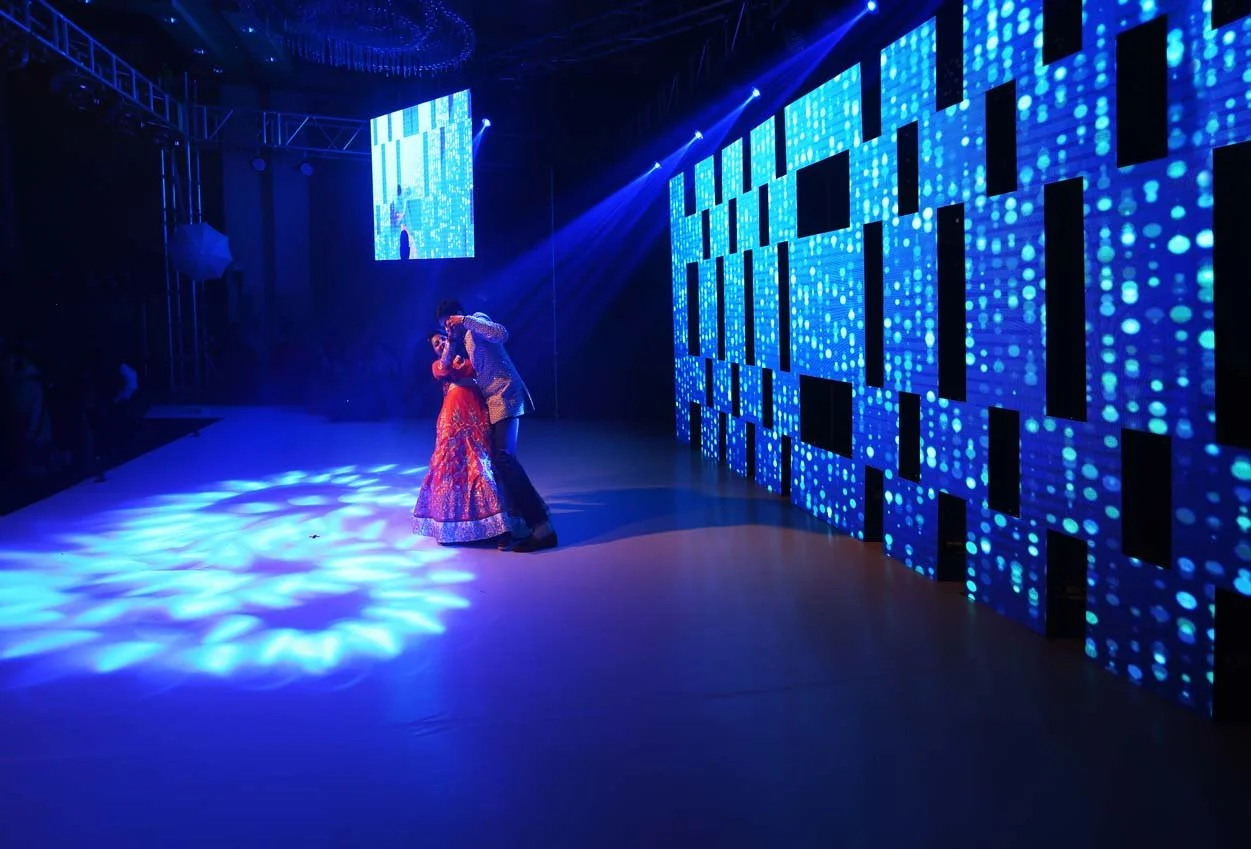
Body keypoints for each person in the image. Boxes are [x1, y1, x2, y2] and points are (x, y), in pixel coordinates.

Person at [437, 299, 557, 552]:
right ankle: (516, 522)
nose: (449, 328)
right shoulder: (463, 340)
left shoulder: (476, 320)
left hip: (506, 395)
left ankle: (541, 526)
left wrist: (466, 320)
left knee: (504, 459)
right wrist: (451, 338)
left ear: (457, 315)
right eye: (444, 326)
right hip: (492, 402)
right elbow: (444, 366)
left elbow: (501, 333)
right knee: (496, 462)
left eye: (448, 322)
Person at [412, 330, 514, 545]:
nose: (439, 345)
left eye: (441, 340)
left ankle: (497, 528)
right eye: (436, 344)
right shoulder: (439, 365)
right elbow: (445, 365)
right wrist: (449, 342)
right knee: (452, 469)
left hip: (476, 419)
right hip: (451, 425)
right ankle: (452, 526)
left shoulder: (470, 360)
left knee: (481, 467)